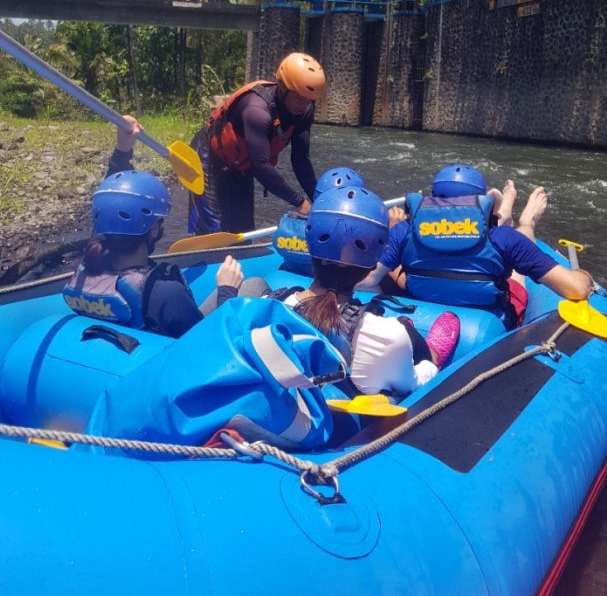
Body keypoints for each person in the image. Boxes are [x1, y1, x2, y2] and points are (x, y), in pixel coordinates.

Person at [243, 184, 463, 400]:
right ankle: (433, 352)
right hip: (345, 419)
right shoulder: (386, 336)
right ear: (371, 265)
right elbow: (414, 384)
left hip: (279, 422)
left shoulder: (262, 308)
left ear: (309, 247)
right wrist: (428, 364)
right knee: (416, 354)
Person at [64, 118, 243, 338]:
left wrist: (123, 150)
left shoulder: (88, 266)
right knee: (254, 285)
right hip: (175, 360)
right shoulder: (166, 294)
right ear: (153, 230)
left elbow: (112, 202)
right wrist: (227, 290)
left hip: (125, 353)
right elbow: (211, 347)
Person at [356, 163, 594, 328]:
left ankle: (507, 211)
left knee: (509, 246)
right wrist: (582, 275)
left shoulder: (404, 230)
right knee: (517, 267)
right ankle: (525, 221)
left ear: (434, 198)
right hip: (488, 316)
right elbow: (576, 289)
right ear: (479, 201)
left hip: (425, 309)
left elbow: (367, 281)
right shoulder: (504, 238)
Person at [187, 52, 325, 236]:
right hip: (210, 159)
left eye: (310, 100)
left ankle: (238, 261)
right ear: (283, 87)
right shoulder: (257, 111)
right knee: (213, 229)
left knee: (243, 231)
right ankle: (208, 258)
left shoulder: (304, 111)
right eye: (300, 98)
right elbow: (261, 167)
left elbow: (300, 159)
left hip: (241, 165)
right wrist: (300, 202)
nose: (305, 105)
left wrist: (319, 200)